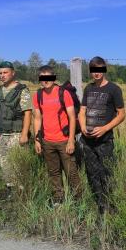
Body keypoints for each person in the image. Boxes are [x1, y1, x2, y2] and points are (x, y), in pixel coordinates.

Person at [79, 56, 125, 214]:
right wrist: (83, 125)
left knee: (106, 174)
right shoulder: (88, 88)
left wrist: (105, 128)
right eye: (93, 70)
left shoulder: (114, 89)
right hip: (88, 141)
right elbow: (82, 111)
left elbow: (121, 115)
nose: (96, 73)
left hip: (104, 141)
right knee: (92, 174)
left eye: (99, 70)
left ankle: (112, 207)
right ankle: (100, 207)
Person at [33, 65, 82, 205]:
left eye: (48, 77)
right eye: (42, 78)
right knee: (53, 172)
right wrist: (37, 140)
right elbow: (37, 118)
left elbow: (72, 117)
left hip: (64, 141)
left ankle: (78, 201)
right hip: (47, 141)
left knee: (71, 173)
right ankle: (58, 200)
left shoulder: (63, 93)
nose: (45, 81)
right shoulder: (38, 95)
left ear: (53, 78)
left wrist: (71, 140)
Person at [0, 61, 32, 191]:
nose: (2, 75)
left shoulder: (21, 90)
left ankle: (22, 193)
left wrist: (24, 134)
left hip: (17, 134)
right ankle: (10, 191)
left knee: (19, 165)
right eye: (0, 73)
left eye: (5, 72)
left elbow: (27, 113)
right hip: (3, 134)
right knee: (5, 165)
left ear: (13, 73)